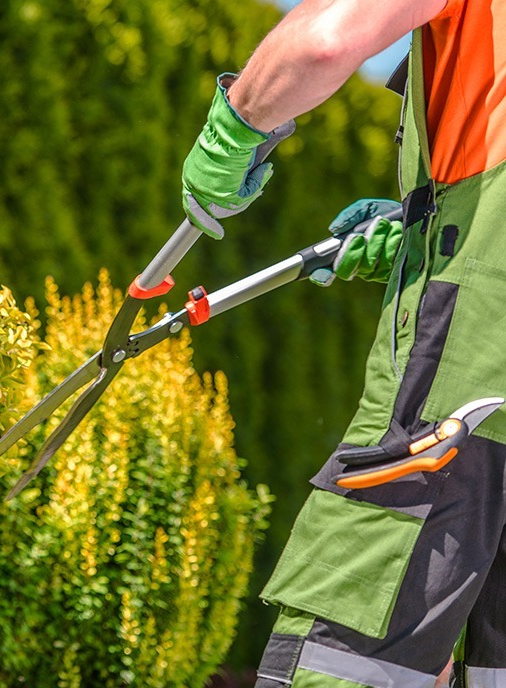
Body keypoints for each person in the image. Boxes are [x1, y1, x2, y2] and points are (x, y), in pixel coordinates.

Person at [181, 0, 506, 686]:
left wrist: (235, 125)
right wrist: (418, 232)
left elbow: (326, 42)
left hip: (467, 380)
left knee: (345, 660)